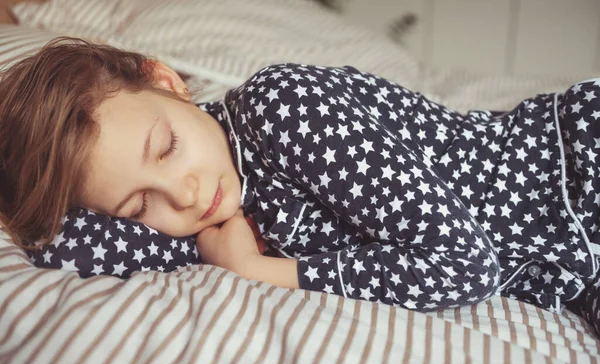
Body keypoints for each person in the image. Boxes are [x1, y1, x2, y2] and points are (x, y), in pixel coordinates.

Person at [2, 37, 600, 336]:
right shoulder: (205, 213)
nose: (181, 195)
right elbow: (59, 243)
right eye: (138, 205)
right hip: (573, 266)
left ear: (167, 81)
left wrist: (260, 274)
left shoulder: (282, 110)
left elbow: (464, 265)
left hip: (576, 168)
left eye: (167, 148)